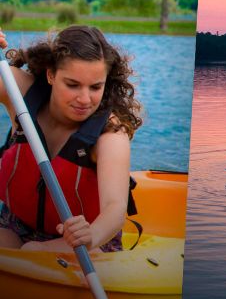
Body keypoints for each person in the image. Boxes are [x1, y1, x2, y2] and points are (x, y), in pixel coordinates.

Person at [0, 25, 142, 252]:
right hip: (15, 225)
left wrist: (91, 235)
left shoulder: (110, 133)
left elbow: (114, 209)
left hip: (85, 242)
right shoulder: (19, 90)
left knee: (33, 252)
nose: (85, 99)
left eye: (96, 87)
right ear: (51, 74)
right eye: (72, 85)